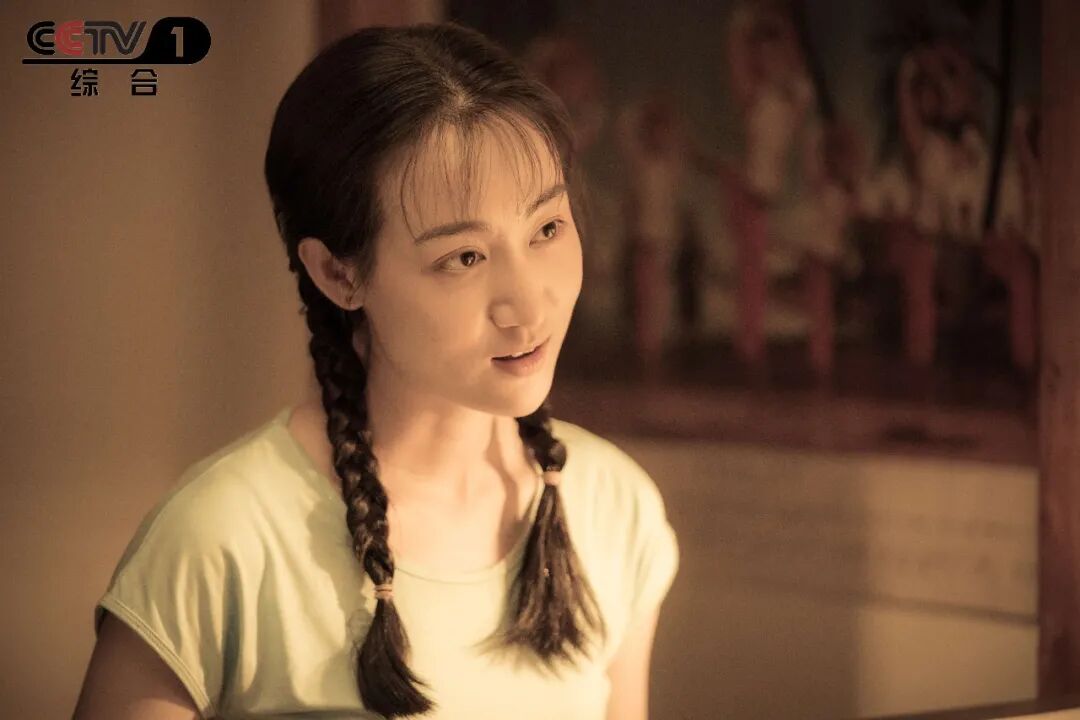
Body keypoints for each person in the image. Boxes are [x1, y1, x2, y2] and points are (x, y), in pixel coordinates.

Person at [72, 23, 679, 720]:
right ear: (339, 274)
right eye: (464, 258)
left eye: (546, 229)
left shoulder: (615, 509)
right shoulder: (222, 537)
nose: (528, 304)